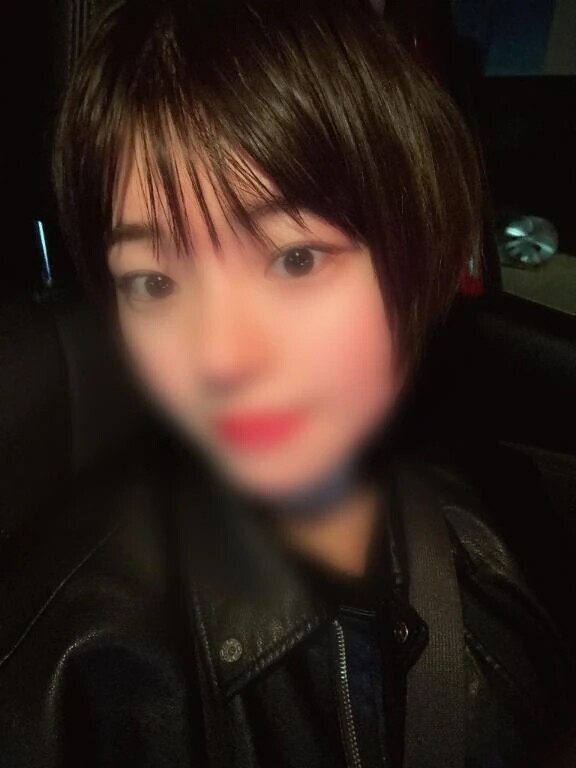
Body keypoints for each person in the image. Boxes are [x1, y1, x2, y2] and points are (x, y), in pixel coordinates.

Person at [1, 0, 574, 766]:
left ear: (409, 259)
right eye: (153, 282)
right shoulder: (70, 675)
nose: (219, 358)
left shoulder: (490, 529)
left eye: (294, 259)